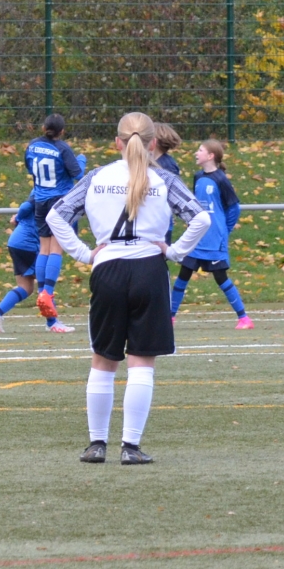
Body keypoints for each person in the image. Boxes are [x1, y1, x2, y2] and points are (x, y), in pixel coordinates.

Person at [47, 112, 209, 465]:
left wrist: (84, 254)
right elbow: (201, 217)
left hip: (108, 270)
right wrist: (176, 251)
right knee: (141, 363)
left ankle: (96, 445)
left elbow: (55, 215)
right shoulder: (163, 178)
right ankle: (131, 448)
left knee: (103, 360)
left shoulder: (96, 177)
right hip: (149, 269)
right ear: (153, 143)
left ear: (117, 142)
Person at [171, 138, 253, 330]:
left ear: (210, 156)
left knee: (220, 277)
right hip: (196, 237)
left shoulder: (221, 180)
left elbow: (234, 209)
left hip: (214, 240)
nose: (196, 153)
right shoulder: (198, 177)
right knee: (183, 274)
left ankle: (244, 318)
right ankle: (170, 317)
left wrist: (224, 229)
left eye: (200, 150)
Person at [24, 114, 84, 323]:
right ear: (62, 131)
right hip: (59, 201)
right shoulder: (63, 148)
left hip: (39, 199)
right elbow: (78, 174)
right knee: (56, 248)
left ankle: (42, 291)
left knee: (44, 248)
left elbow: (29, 167)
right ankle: (47, 293)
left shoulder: (32, 145)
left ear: (43, 127)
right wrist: (81, 160)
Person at [0, 200, 73, 334]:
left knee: (26, 287)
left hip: (16, 242)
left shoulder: (44, 187)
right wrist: (18, 218)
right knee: (45, 284)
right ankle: (52, 322)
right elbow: (27, 206)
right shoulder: (50, 189)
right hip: (29, 243)